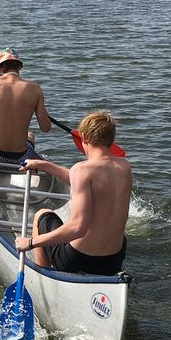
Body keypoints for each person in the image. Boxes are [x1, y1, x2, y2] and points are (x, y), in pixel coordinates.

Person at [15, 110, 131, 275]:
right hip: (113, 260)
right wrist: (43, 165)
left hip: (78, 259)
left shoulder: (82, 170)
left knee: (42, 215)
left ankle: (44, 274)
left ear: (84, 138)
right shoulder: (124, 167)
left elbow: (78, 228)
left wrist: (31, 242)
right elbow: (81, 180)